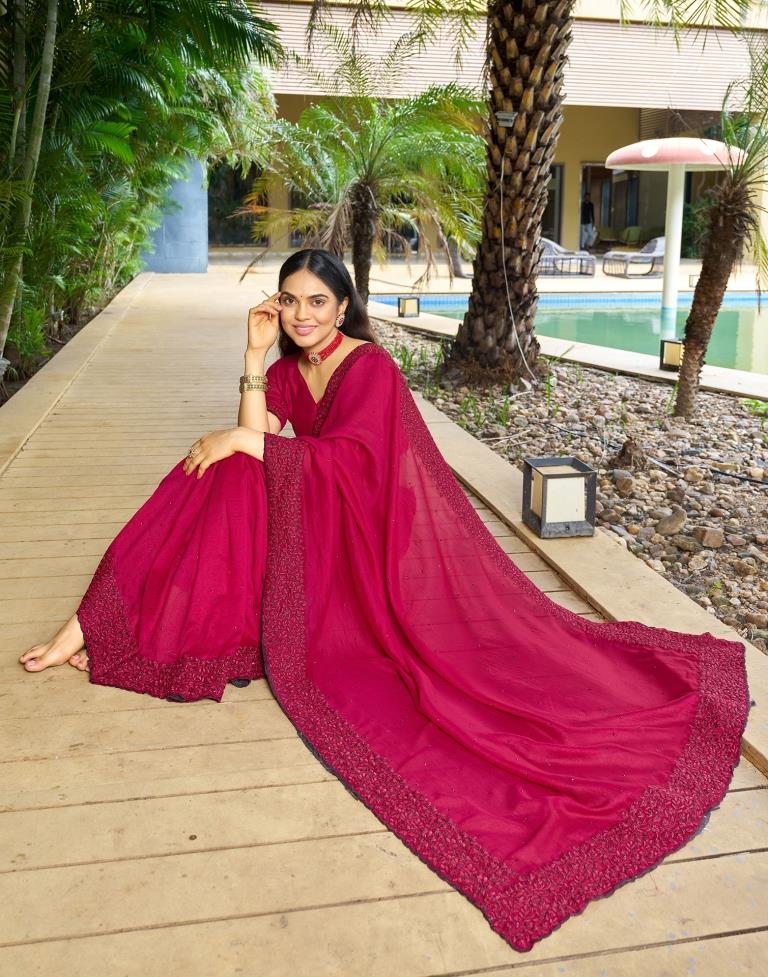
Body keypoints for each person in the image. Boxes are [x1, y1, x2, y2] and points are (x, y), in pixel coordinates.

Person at [17, 248, 750, 952]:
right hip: (314, 512)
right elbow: (255, 438)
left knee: (230, 460)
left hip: (366, 537)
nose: (302, 316)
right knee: (216, 471)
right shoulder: (282, 369)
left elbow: (357, 468)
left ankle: (97, 624)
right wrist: (249, 358)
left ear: (342, 307)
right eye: (291, 301)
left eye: (318, 303)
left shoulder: (367, 367)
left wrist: (240, 444)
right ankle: (98, 619)